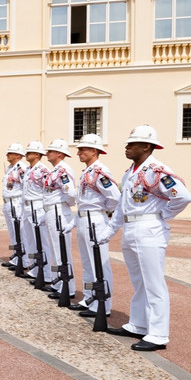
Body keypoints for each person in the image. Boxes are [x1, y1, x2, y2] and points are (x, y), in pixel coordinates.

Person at [103, 125, 191, 352]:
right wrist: (109, 232)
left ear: (146, 146)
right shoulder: (130, 172)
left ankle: (159, 334)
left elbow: (182, 196)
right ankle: (139, 323)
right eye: (127, 143)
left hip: (149, 228)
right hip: (132, 228)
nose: (127, 147)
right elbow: (122, 206)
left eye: (132, 144)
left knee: (154, 283)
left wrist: (165, 213)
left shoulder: (157, 170)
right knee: (138, 281)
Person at [73, 134, 120, 317]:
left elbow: (115, 198)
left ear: (94, 151)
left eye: (83, 149)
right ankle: (90, 296)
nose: (79, 152)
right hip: (84, 218)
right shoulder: (87, 171)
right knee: (87, 262)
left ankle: (103, 304)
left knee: (99, 263)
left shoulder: (100, 171)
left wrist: (101, 211)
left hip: (95, 219)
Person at [41, 139, 78, 300]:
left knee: (61, 250)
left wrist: (64, 206)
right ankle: (59, 283)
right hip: (52, 210)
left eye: (51, 151)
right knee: (55, 250)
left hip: (59, 211)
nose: (47, 153)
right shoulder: (55, 169)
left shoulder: (63, 169)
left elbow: (71, 194)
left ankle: (67, 287)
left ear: (60, 154)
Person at [20, 140, 49, 284]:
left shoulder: (43, 170)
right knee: (31, 240)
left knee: (42, 241)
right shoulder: (28, 170)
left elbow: (46, 190)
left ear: (37, 154)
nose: (26, 154)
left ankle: (47, 273)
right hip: (27, 206)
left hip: (37, 206)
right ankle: (36, 269)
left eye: (29, 152)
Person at [0, 143, 28, 272]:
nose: (7, 155)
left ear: (18, 155)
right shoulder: (11, 167)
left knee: (20, 231)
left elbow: (25, 186)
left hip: (16, 202)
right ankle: (16, 257)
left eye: (10, 153)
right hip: (8, 202)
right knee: (13, 232)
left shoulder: (21, 168)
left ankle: (24, 259)